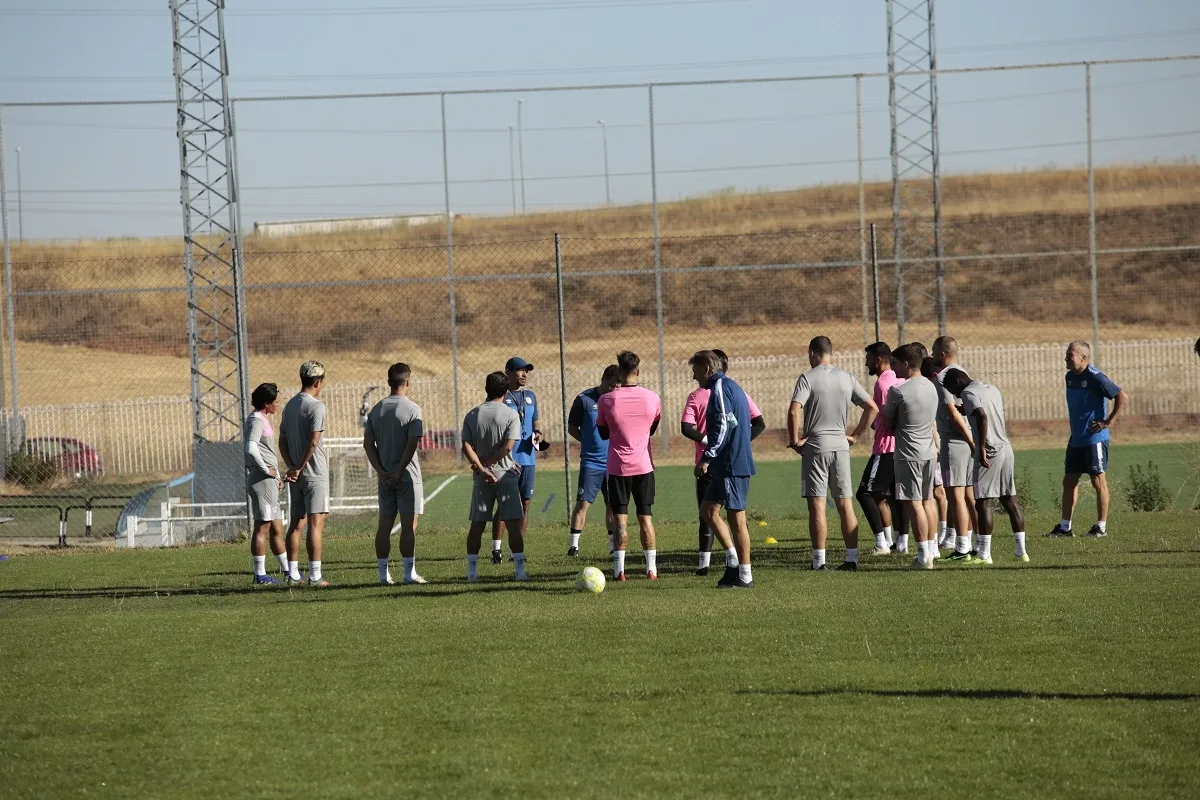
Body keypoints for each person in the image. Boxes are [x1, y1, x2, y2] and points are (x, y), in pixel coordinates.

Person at [787, 336, 877, 571]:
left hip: (816, 447)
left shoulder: (808, 377)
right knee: (845, 503)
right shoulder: (846, 377)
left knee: (817, 505)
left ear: (812, 353)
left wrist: (795, 441)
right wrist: (855, 436)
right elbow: (872, 408)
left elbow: (794, 409)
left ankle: (819, 561)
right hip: (840, 446)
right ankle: (852, 559)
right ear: (830, 353)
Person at [681, 348, 765, 575]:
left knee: (737, 518)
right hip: (725, 465)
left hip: (730, 465)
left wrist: (706, 458)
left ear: (707, 369)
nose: (694, 377)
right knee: (707, 510)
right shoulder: (731, 387)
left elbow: (723, 428)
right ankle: (734, 561)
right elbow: (736, 425)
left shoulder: (719, 389)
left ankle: (745, 575)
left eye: (696, 371)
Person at [942, 369, 1029, 564]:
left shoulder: (968, 393)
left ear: (958, 380)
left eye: (952, 388)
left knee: (982, 502)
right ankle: (1021, 552)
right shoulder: (991, 388)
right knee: (1010, 500)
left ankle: (984, 555)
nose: (955, 395)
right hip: (1006, 448)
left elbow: (982, 416)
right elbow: (987, 411)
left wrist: (980, 448)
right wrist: (967, 411)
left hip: (989, 451)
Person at [1048, 341, 1127, 538]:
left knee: (1098, 481)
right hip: (1076, 438)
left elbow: (1121, 397)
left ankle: (1101, 527)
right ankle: (1065, 528)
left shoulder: (1096, 377)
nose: (1066, 358)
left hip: (1095, 439)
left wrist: (1107, 422)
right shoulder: (1069, 377)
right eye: (1066, 354)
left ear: (1083, 358)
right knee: (1069, 481)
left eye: (1070, 355)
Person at [596, 351, 662, 581]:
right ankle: (651, 570)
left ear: (619, 371)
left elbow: (603, 433)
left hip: (617, 468)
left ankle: (619, 571)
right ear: (638, 371)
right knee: (646, 518)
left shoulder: (606, 400)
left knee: (620, 519)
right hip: (644, 466)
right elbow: (653, 427)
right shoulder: (653, 398)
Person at [462, 372, 528, 582]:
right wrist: (491, 464)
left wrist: (481, 469)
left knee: (477, 524)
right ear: (506, 391)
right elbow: (508, 447)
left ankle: (472, 573)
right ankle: (520, 572)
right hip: (505, 476)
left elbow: (466, 446)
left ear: (486, 388)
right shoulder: (510, 415)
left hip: (482, 478)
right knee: (513, 524)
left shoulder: (473, 415)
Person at [363, 362, 426, 586]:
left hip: (385, 477)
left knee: (384, 526)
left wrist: (381, 472)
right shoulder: (412, 409)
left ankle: (383, 575)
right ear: (408, 382)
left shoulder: (377, 410)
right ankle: (409, 573)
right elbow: (411, 445)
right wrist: (399, 471)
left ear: (388, 382)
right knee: (409, 526)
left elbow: (368, 444)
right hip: (407, 475)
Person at [880, 344, 940, 569]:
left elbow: (886, 421)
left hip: (908, 453)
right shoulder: (931, 386)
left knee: (914, 503)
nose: (893, 368)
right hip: (928, 451)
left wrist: (895, 419)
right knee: (928, 500)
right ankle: (932, 549)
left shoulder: (899, 391)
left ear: (906, 364)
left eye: (895, 363)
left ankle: (924, 556)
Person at [280, 361, 331, 586]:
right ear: (318, 382)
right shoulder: (317, 407)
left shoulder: (290, 405)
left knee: (296, 524)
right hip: (314, 473)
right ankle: (315, 576)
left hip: (296, 475)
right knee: (315, 523)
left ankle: (292, 575)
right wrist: (300, 466)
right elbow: (313, 442)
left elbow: (281, 441)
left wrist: (292, 467)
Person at [856, 342, 909, 556]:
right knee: (897, 497)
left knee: (864, 493)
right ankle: (901, 543)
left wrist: (881, 424)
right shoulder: (899, 378)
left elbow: (891, 417)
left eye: (868, 358)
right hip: (901, 447)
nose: (866, 363)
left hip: (886, 447)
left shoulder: (883, 384)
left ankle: (882, 543)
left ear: (878, 359)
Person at [566, 364, 621, 557]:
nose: (615, 389)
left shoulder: (618, 400)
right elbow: (572, 427)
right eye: (612, 385)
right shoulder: (584, 400)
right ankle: (574, 546)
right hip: (591, 461)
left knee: (612, 505)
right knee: (583, 503)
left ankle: (613, 545)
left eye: (618, 386)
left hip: (614, 461)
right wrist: (587, 441)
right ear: (604, 379)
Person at [932, 336, 978, 560]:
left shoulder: (942, 378)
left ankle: (962, 548)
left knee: (956, 496)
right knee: (969, 495)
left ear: (942, 354)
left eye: (933, 351)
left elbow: (952, 411)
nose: (931, 355)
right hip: (968, 439)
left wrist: (969, 440)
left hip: (955, 440)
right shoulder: (963, 372)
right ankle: (977, 542)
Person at [491, 356, 540, 564]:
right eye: (520, 370)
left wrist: (538, 433)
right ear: (508, 372)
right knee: (505, 506)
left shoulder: (531, 396)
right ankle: (496, 549)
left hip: (528, 458)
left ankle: (516, 551)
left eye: (526, 371)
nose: (524, 374)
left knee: (525, 504)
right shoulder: (502, 397)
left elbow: (535, 421)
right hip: (509, 459)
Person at [244, 382, 288, 585]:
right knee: (262, 527)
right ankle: (259, 575)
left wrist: (277, 475)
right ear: (266, 403)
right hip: (261, 481)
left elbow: (267, 452)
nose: (278, 405)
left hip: (269, 481)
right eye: (276, 401)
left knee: (277, 527)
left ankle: (288, 571)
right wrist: (265, 471)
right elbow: (251, 448)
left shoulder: (263, 419)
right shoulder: (256, 421)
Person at [918, 354, 950, 553]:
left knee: (938, 493)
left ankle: (944, 535)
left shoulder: (933, 391)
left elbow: (933, 425)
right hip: (932, 446)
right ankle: (939, 539)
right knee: (933, 493)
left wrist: (937, 446)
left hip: (933, 447)